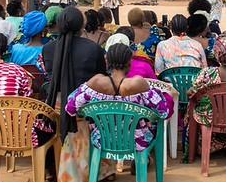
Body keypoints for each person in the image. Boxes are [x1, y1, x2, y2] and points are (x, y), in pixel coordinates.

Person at [65, 42, 173, 173]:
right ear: (129, 62)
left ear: (107, 61)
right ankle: (146, 160)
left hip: (102, 140)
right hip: (137, 141)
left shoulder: (96, 82)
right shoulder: (138, 83)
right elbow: (163, 111)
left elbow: (70, 107)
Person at [43, 7, 107, 142]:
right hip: (86, 109)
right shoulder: (93, 49)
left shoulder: (48, 49)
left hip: (55, 106)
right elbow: (102, 77)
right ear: (81, 25)